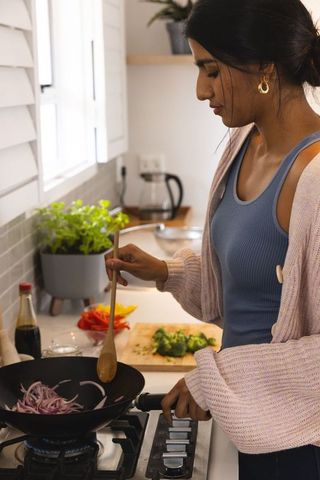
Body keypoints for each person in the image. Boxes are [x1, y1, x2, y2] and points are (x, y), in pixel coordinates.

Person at [105, 0, 320, 478]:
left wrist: (214, 379)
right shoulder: (245, 144)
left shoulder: (316, 178)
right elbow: (252, 284)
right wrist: (166, 272)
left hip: (301, 440)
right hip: (254, 418)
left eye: (211, 70)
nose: (201, 90)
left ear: (262, 67)